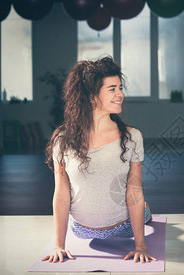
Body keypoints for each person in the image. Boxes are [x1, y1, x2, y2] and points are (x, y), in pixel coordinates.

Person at [42, 57, 156, 263]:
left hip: (124, 226)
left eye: (120, 88)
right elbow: (61, 194)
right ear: (91, 96)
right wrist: (59, 246)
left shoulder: (132, 137)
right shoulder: (62, 138)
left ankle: (146, 210)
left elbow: (134, 189)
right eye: (112, 89)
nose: (120, 94)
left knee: (143, 210)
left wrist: (140, 246)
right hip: (80, 229)